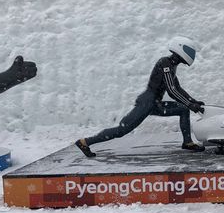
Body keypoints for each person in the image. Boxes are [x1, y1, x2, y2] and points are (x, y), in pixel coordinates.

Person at [75, 36, 205, 157]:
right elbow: (171, 90)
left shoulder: (172, 65)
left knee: (183, 109)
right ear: (180, 48)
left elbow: (177, 88)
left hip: (155, 102)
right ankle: (85, 142)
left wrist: (192, 101)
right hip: (147, 102)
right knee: (122, 130)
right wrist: (190, 104)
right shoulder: (165, 63)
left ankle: (187, 142)